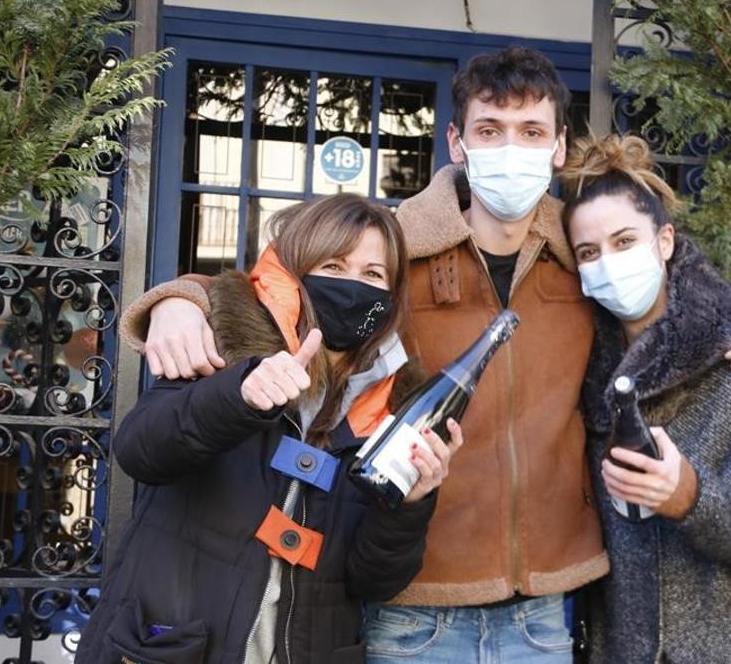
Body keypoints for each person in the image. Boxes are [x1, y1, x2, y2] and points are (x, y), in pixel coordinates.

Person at [118, 47, 731, 662]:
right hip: (410, 604)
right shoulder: (389, 248)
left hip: (545, 608)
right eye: (490, 130)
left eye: (531, 131)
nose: (510, 149)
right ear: (457, 140)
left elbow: (666, 295)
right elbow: (278, 284)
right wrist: (179, 298)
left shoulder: (584, 250)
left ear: (558, 147)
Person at [77, 195, 461, 664]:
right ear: (297, 269)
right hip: (173, 646)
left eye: (373, 274)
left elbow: (372, 581)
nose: (353, 286)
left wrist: (409, 504)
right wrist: (238, 397)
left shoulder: (399, 405)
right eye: (334, 266)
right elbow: (141, 449)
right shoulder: (222, 336)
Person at [560, 134, 731, 663]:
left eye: (624, 241)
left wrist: (690, 496)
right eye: (589, 252)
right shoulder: (583, 372)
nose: (608, 263)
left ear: (664, 240)